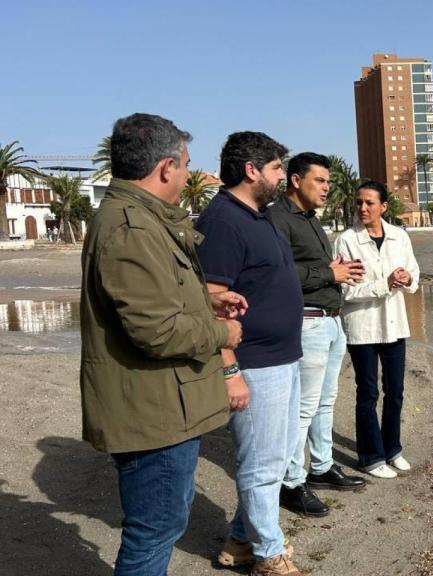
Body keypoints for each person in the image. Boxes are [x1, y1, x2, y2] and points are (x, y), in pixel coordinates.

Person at [80, 113, 246, 576]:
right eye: (188, 164)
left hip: (162, 407)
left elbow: (155, 301)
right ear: (166, 167)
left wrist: (207, 301)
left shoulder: (142, 221)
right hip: (151, 414)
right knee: (152, 532)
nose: (190, 174)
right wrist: (223, 334)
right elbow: (155, 331)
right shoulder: (132, 227)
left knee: (160, 524)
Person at [195, 132, 304, 576]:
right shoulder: (222, 219)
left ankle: (241, 541)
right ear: (251, 170)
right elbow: (209, 298)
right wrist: (230, 370)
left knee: (274, 459)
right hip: (255, 362)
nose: (283, 176)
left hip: (283, 356)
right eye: (278, 168)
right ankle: (268, 555)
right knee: (261, 465)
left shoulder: (258, 215)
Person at [269, 152, 366, 518]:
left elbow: (312, 266)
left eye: (328, 181)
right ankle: (291, 482)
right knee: (303, 408)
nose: (327, 187)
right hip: (307, 321)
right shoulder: (278, 218)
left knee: (326, 401)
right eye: (320, 181)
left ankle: (322, 466)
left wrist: (335, 271)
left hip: (330, 320)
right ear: (296, 180)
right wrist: (330, 275)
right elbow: (276, 273)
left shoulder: (310, 220)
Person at [333, 181, 420, 479]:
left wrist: (407, 278)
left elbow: (415, 273)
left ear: (384, 206)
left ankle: (392, 448)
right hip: (362, 328)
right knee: (367, 393)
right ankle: (370, 456)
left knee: (395, 391)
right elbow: (347, 292)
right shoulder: (346, 240)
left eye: (369, 203)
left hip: (395, 325)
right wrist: (386, 284)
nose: (363, 208)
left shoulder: (399, 236)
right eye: (359, 202)